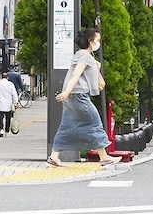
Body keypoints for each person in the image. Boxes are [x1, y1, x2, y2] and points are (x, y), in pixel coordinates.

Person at [48, 29, 119, 167]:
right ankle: (104, 157)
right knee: (95, 123)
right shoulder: (85, 56)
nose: (98, 43)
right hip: (79, 96)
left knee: (66, 126)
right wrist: (67, 92)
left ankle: (54, 157)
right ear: (90, 41)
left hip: (74, 96)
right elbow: (76, 74)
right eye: (97, 40)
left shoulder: (80, 54)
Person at [0, 72, 19, 137]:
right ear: (8, 77)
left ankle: (1, 130)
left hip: (0, 103)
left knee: (0, 118)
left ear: (1, 77)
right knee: (8, 118)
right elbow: (14, 94)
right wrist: (15, 103)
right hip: (8, 104)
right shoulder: (10, 84)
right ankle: (7, 131)